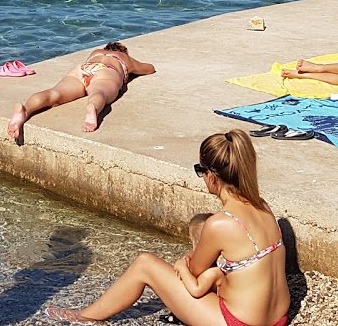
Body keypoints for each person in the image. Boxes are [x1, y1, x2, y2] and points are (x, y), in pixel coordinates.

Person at [45, 130, 290, 326]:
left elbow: (193, 272)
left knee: (145, 264)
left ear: (211, 176)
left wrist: (183, 262)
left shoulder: (222, 222)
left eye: (200, 171)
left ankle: (86, 316)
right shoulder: (264, 207)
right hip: (277, 318)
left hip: (238, 322)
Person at [7, 42, 156, 141]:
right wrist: (130, 68)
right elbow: (149, 68)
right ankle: (93, 108)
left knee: (54, 93)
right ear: (122, 52)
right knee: (100, 92)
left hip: (83, 69)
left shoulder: (96, 52)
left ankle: (25, 110)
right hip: (107, 71)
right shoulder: (124, 58)